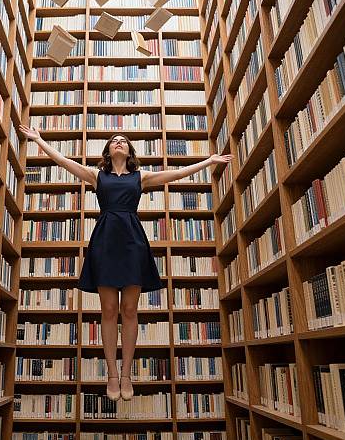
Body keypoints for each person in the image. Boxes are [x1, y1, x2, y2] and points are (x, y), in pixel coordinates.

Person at [19, 125, 233, 402]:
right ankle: (111, 373)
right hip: (105, 241)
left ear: (130, 151)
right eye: (114, 141)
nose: (118, 142)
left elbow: (178, 174)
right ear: (108, 151)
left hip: (133, 241)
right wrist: (40, 140)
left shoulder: (140, 177)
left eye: (123, 141)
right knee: (108, 310)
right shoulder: (98, 176)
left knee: (130, 310)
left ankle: (127, 374)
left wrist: (209, 161)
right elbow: (64, 161)